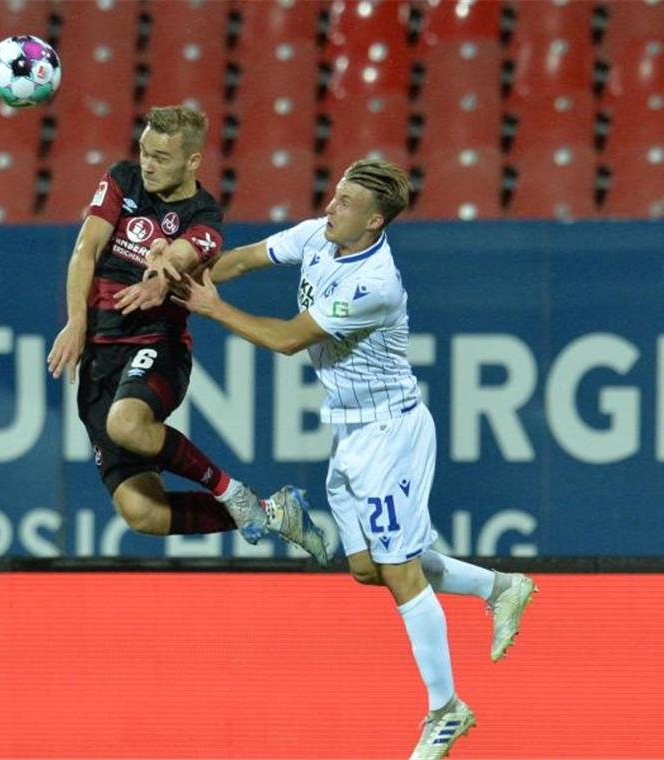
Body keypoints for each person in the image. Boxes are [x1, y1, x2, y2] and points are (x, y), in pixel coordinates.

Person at [169, 158, 537, 759]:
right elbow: (245, 258)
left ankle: (446, 709)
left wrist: (210, 309)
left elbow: (288, 340)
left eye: (345, 203)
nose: (331, 207)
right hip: (350, 433)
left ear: (374, 222)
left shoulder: (376, 282)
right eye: (335, 195)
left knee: (400, 573)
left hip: (391, 432)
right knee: (369, 568)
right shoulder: (320, 234)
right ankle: (499, 587)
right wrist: (185, 276)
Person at [46, 104, 328, 566]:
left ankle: (230, 490)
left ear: (193, 161)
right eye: (144, 152)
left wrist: (163, 269)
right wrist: (76, 322)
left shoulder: (204, 213)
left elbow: (182, 253)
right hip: (99, 359)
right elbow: (86, 248)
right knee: (143, 513)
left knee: (127, 423)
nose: (148, 165)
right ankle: (274, 514)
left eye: (160, 156)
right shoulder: (123, 178)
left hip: (155, 347)